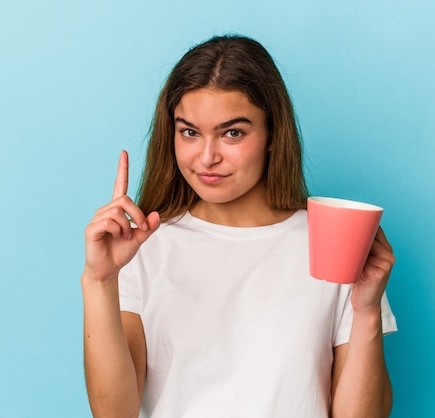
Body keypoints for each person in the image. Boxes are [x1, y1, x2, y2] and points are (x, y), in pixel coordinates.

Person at [82, 35, 397, 418]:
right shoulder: (141, 247)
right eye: (190, 132)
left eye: (233, 133)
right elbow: (115, 413)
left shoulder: (332, 241)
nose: (207, 157)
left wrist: (366, 313)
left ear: (271, 135)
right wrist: (99, 281)